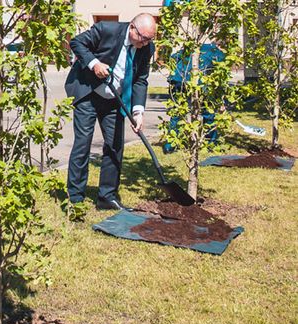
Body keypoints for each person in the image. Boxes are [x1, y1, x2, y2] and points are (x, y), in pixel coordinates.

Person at [65, 13, 156, 211]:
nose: (146, 43)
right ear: (132, 28)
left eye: (150, 39)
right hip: (88, 93)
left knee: (115, 145)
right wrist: (94, 63)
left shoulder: (146, 47)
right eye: (144, 38)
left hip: (114, 99)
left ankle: (107, 197)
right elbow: (77, 43)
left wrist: (138, 111)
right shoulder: (107, 29)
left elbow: (140, 79)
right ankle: (75, 198)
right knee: (83, 143)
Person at [163, 42, 225, 153]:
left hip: (178, 78)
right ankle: (211, 142)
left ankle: (170, 145)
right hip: (198, 82)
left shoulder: (192, 46)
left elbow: (173, 57)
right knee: (208, 112)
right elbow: (221, 68)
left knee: (177, 112)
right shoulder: (215, 51)